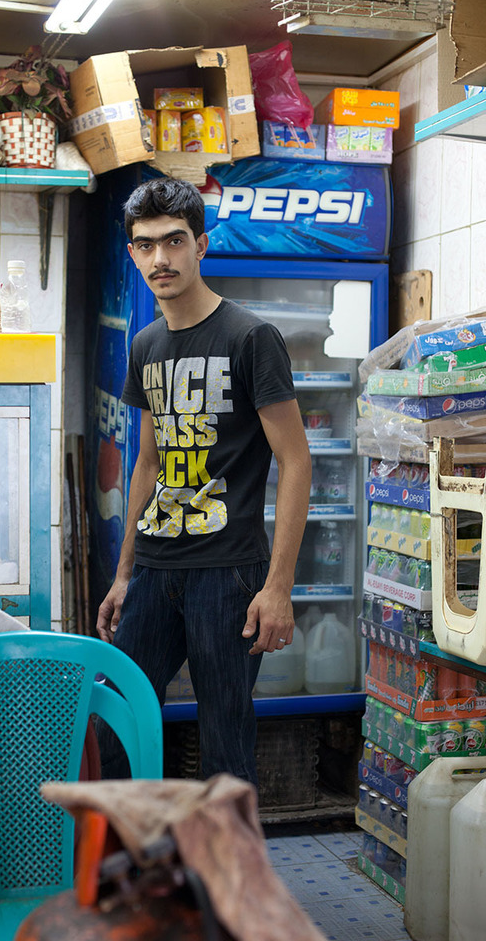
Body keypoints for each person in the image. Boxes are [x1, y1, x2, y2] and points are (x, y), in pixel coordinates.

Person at [96, 176, 312, 786]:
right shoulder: (146, 345)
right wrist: (124, 572)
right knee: (114, 721)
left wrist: (279, 587)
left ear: (201, 246)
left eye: (174, 241)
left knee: (225, 740)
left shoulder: (251, 338)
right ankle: (133, 865)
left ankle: (227, 880)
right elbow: (147, 463)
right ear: (133, 252)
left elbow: (296, 462)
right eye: (144, 245)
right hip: (157, 567)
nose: (159, 259)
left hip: (228, 571)